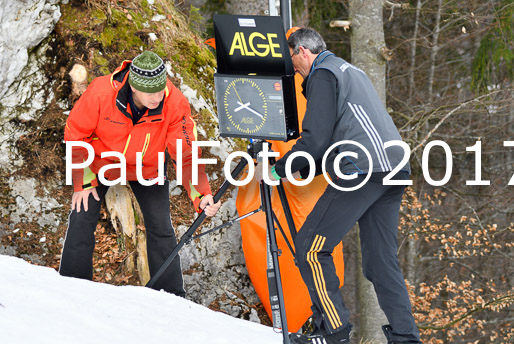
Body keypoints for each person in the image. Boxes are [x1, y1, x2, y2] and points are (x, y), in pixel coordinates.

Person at [255, 28, 421, 344]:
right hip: (393, 168)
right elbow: (330, 143)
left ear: (302, 51)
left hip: (364, 169)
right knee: (380, 263)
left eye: (291, 59)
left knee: (310, 248)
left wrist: (276, 171)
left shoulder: (323, 75)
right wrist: (291, 170)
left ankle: (333, 333)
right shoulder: (348, 70)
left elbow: (315, 141)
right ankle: (406, 338)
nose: (292, 69)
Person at [60, 50, 221, 297]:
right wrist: (83, 181)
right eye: (149, 92)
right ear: (133, 87)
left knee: (161, 225)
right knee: (82, 215)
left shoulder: (174, 103)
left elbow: (186, 153)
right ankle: (73, 286)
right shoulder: (101, 93)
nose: (156, 97)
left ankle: (170, 295)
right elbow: (75, 132)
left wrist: (202, 195)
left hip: (147, 166)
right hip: (102, 162)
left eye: (160, 89)